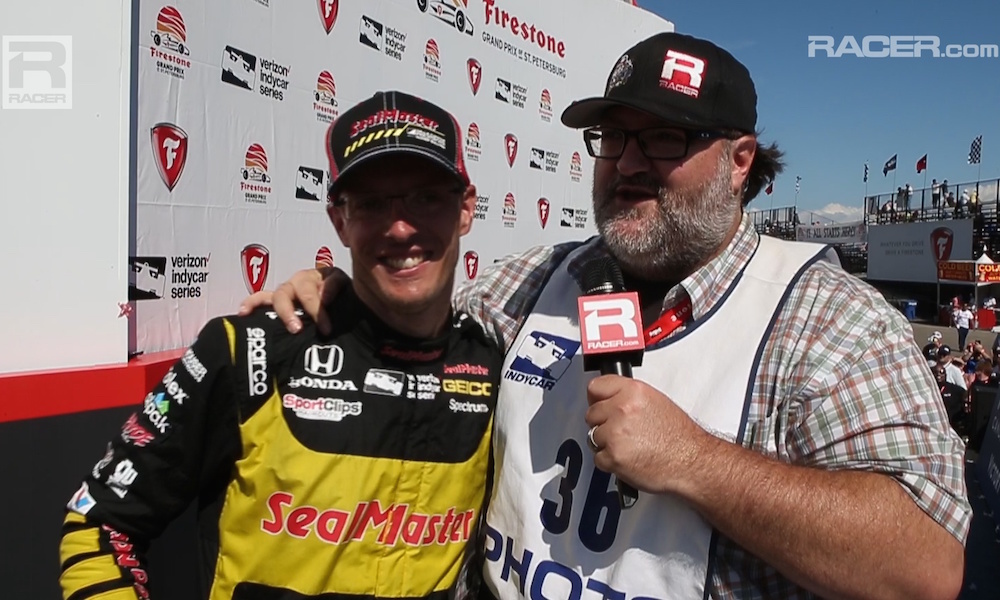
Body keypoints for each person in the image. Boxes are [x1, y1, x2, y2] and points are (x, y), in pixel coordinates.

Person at [246, 33, 970, 599]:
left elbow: (925, 566)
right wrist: (336, 290)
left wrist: (696, 461)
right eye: (613, 138)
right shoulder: (530, 281)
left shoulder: (828, 319)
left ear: (740, 160)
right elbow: (413, 329)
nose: (627, 164)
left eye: (664, 138)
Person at [59, 91, 501, 599]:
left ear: (466, 208)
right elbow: (99, 524)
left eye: (426, 198)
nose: (400, 227)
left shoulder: (498, 371)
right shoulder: (247, 351)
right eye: (372, 204)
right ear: (340, 221)